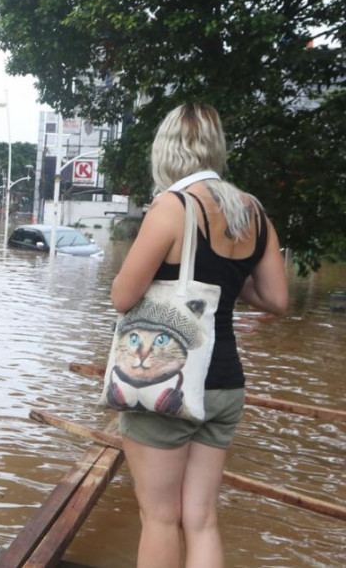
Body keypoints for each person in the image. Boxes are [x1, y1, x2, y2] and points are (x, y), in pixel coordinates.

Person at [110, 103, 287, 568]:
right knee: (202, 519)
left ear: (166, 151)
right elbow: (276, 300)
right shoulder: (253, 213)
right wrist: (227, 277)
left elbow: (123, 296)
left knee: (160, 519)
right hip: (226, 385)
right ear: (216, 148)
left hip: (171, 385)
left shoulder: (172, 206)